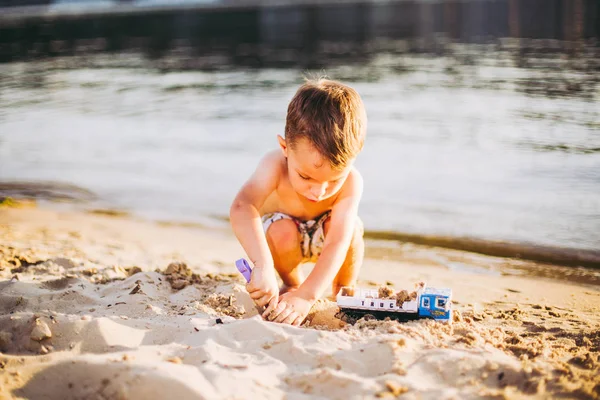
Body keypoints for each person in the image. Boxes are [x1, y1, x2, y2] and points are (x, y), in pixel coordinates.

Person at [229, 77, 367, 326]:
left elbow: (338, 241)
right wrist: (262, 265)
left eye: (333, 180)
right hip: (285, 236)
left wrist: (308, 297)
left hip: (327, 236)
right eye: (306, 176)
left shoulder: (352, 181)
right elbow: (242, 206)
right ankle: (292, 283)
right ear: (285, 148)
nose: (319, 191)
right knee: (281, 230)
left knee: (351, 229)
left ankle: (344, 287)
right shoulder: (274, 166)